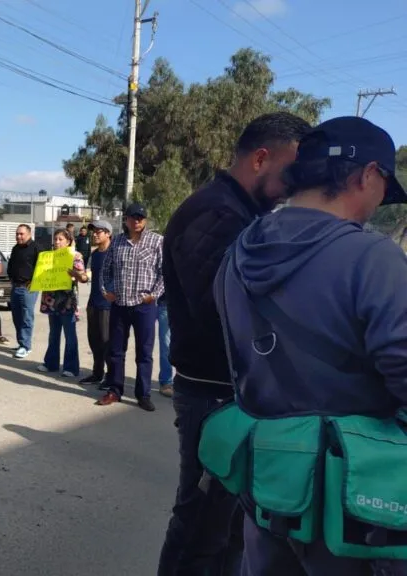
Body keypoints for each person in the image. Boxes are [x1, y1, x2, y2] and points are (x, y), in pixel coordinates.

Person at [214, 116, 407, 575]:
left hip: (269, 488)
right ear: (368, 175)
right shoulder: (373, 257)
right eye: (385, 188)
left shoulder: (237, 253)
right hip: (357, 504)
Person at [157, 112, 311, 576]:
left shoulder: (240, 211)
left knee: (229, 529)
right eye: (292, 171)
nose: (295, 185)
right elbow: (225, 311)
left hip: (229, 391)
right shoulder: (216, 212)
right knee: (203, 526)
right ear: (262, 158)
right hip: (213, 394)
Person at [97, 202, 163, 412]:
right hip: (120, 304)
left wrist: (154, 295)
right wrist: (105, 290)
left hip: (144, 306)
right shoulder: (116, 242)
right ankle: (115, 390)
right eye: (133, 217)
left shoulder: (157, 241)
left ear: (145, 220)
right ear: (125, 219)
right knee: (116, 351)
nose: (137, 221)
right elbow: (105, 270)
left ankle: (143, 394)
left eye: (140, 218)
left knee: (144, 352)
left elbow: (165, 272)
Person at [38, 229, 87, 378]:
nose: (57, 242)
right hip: (52, 299)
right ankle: (51, 363)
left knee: (70, 334)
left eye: (60, 239)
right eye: (55, 239)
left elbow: (83, 277)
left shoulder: (75, 256)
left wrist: (75, 274)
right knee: (53, 333)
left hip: (67, 301)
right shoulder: (48, 257)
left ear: (68, 241)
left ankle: (71, 367)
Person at [79, 221, 113, 386]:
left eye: (99, 231)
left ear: (108, 234)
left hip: (108, 306)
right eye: (94, 232)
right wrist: (80, 276)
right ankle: (97, 373)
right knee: (94, 341)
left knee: (107, 342)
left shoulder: (115, 253)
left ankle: (111, 376)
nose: (95, 234)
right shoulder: (94, 255)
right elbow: (88, 275)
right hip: (93, 303)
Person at [7, 224, 39, 358]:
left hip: (28, 288)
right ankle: (22, 343)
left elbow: (42, 267)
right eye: (17, 234)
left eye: (21, 234)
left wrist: (34, 281)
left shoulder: (36, 248)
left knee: (26, 317)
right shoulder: (16, 248)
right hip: (15, 286)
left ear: (29, 234)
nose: (19, 236)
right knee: (17, 317)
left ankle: (26, 346)